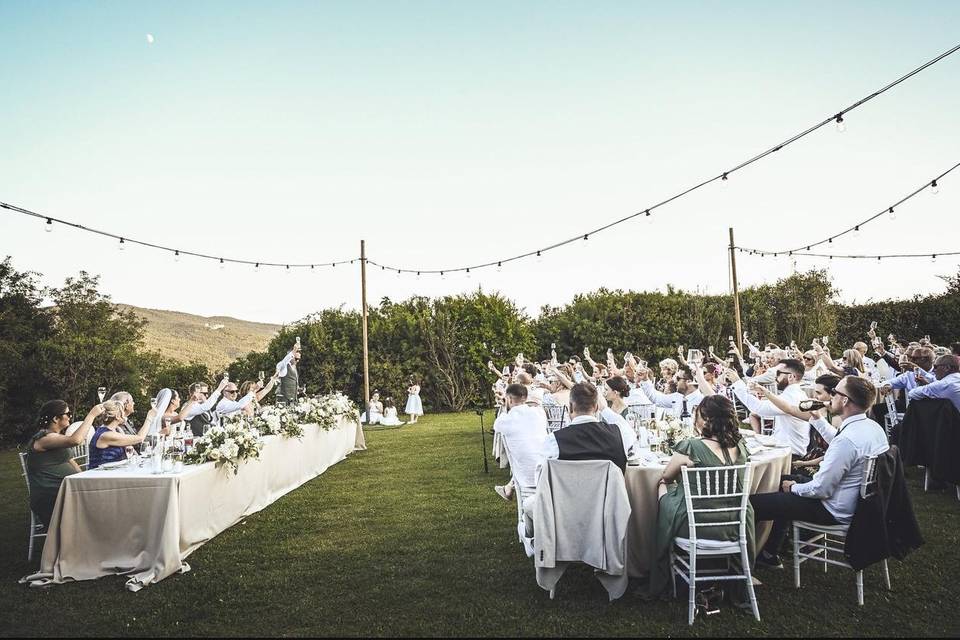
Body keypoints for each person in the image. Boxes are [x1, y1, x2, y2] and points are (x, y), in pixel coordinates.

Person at [750, 376, 889, 568]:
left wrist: (794, 488)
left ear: (845, 400)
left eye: (835, 393)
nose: (831, 397)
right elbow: (839, 442)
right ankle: (770, 551)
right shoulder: (872, 428)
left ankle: (743, 561)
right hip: (859, 502)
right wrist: (818, 419)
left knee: (753, 504)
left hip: (832, 508)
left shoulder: (847, 441)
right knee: (779, 481)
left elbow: (821, 489)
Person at [648, 395, 754, 604]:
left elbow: (667, 476)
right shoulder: (741, 445)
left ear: (705, 419)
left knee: (662, 486)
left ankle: (659, 559)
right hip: (737, 524)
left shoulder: (690, 447)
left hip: (697, 526)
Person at [25, 401, 104, 527]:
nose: (70, 416)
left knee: (102, 496)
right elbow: (76, 440)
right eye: (67, 413)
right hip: (52, 496)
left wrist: (84, 479)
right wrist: (91, 415)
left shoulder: (56, 437)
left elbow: (70, 461)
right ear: (56, 418)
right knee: (99, 504)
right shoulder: (44, 439)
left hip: (67, 490)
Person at [727, 359, 811, 457]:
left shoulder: (792, 396)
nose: (775, 377)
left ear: (791, 377)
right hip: (785, 448)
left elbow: (759, 408)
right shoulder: (796, 393)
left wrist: (737, 383)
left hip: (790, 454)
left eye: (778, 373)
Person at [493, 384, 549, 501]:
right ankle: (508, 488)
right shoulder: (539, 413)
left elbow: (497, 426)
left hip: (526, 478)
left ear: (509, 399)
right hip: (548, 473)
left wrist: (505, 407)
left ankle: (509, 488)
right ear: (525, 397)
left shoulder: (505, 420)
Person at [89, 401, 159, 469]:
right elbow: (140, 438)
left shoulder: (114, 430)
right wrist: (149, 418)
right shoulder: (106, 435)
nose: (125, 414)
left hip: (112, 472)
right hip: (99, 475)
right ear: (117, 416)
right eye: (123, 411)